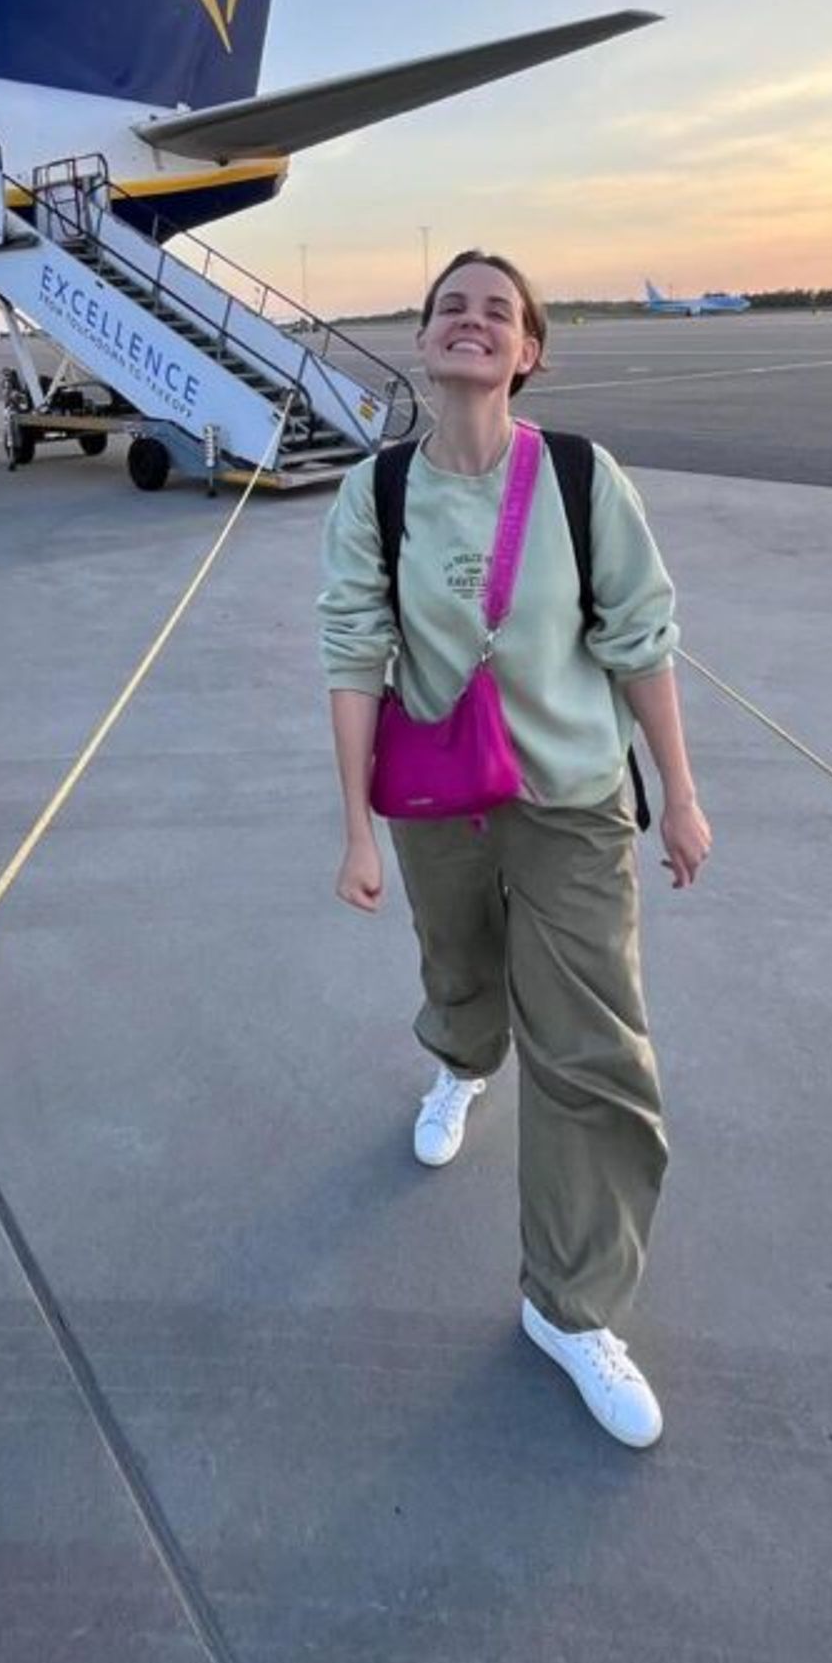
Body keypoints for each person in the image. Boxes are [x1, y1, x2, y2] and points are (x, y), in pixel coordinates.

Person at [318, 250, 711, 1448]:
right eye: (452, 306)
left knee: (596, 1055)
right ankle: (460, 1056)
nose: (472, 321)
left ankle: (569, 1303)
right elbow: (351, 658)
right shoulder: (375, 493)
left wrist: (681, 797)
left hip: (575, 803)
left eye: (499, 310)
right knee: (464, 976)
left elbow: (641, 638)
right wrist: (357, 832)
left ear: (528, 351)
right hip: (438, 801)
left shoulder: (583, 480)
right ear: (425, 338)